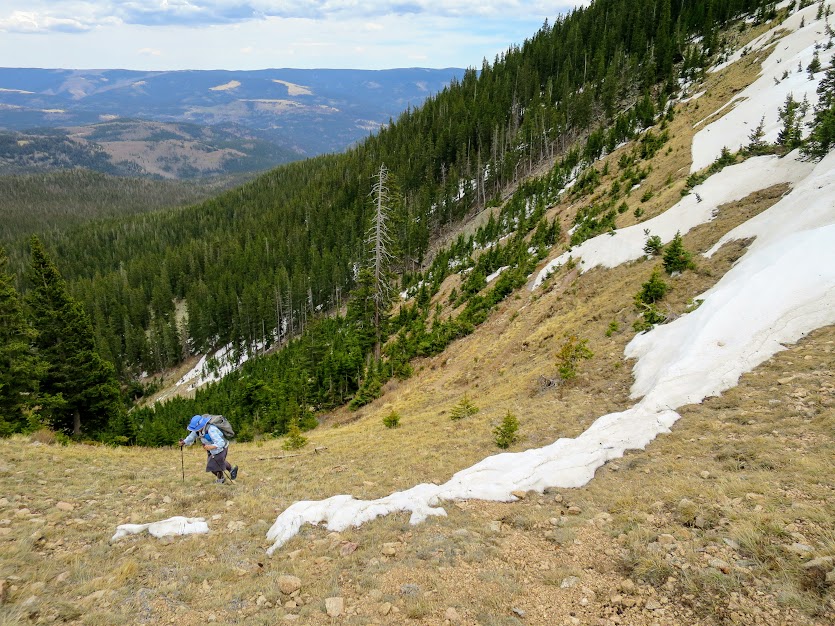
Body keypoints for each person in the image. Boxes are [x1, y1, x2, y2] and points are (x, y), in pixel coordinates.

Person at [179, 415, 238, 483]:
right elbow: (191, 437)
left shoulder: (211, 429)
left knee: (212, 465)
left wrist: (211, 447)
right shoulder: (197, 431)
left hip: (221, 448)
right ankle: (230, 471)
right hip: (212, 450)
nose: (194, 430)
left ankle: (222, 478)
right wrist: (184, 442)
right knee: (217, 463)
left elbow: (221, 442)